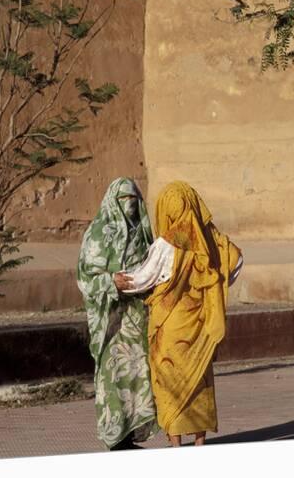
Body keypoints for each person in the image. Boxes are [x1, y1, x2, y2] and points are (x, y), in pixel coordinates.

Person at [118, 180, 243, 447]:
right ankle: (199, 442)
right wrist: (219, 285)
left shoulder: (167, 244)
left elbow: (142, 279)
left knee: (169, 382)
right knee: (199, 381)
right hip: (200, 325)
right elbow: (236, 261)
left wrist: (115, 280)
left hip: (170, 327)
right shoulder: (214, 239)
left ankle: (176, 445)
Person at [76, 177, 159, 451]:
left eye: (134, 199)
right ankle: (115, 439)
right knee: (114, 378)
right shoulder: (98, 234)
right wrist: (111, 282)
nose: (130, 205)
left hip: (137, 318)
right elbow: (85, 278)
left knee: (138, 376)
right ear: (113, 201)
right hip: (111, 322)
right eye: (125, 200)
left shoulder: (143, 232)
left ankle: (130, 437)